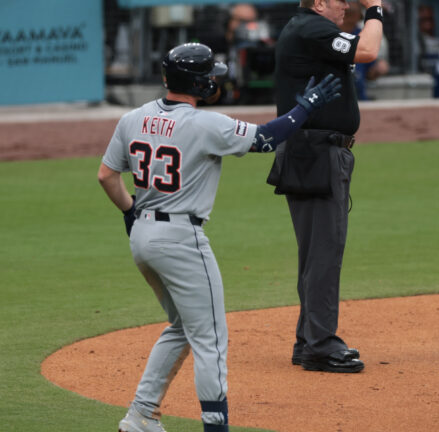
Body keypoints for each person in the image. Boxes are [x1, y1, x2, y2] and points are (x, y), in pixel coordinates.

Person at [98, 42, 341, 432]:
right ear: (199, 83)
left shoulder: (131, 119)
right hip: (181, 239)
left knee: (181, 327)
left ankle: (142, 414)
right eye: (211, 75)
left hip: (143, 237)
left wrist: (131, 212)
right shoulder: (205, 125)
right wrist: (305, 108)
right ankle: (215, 426)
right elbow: (265, 139)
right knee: (210, 338)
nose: (215, 81)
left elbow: (107, 175)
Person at [268, 0, 384, 373]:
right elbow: (368, 50)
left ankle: (308, 338)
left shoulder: (306, 30)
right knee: (325, 251)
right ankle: (320, 344)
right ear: (318, 3)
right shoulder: (312, 28)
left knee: (314, 251)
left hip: (306, 150)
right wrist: (376, 9)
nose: (347, 5)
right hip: (317, 151)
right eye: (338, 0)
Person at [339, 0, 390, 100]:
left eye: (354, 14)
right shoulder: (330, 32)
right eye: (348, 14)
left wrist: (377, 69)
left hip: (357, 95)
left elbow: (370, 74)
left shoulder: (362, 33)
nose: (350, 18)